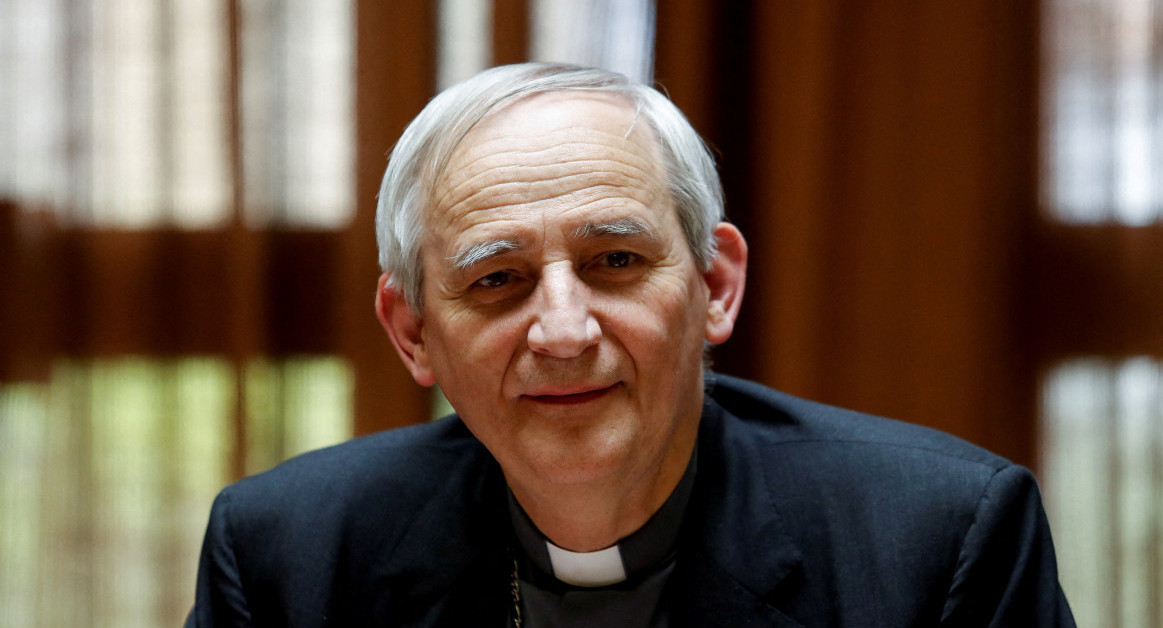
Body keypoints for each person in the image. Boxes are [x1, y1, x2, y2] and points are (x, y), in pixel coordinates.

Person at [187, 62, 1074, 627]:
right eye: (496, 279)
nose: (565, 332)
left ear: (713, 287)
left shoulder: (939, 540)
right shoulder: (288, 557)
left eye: (615, 260)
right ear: (414, 332)